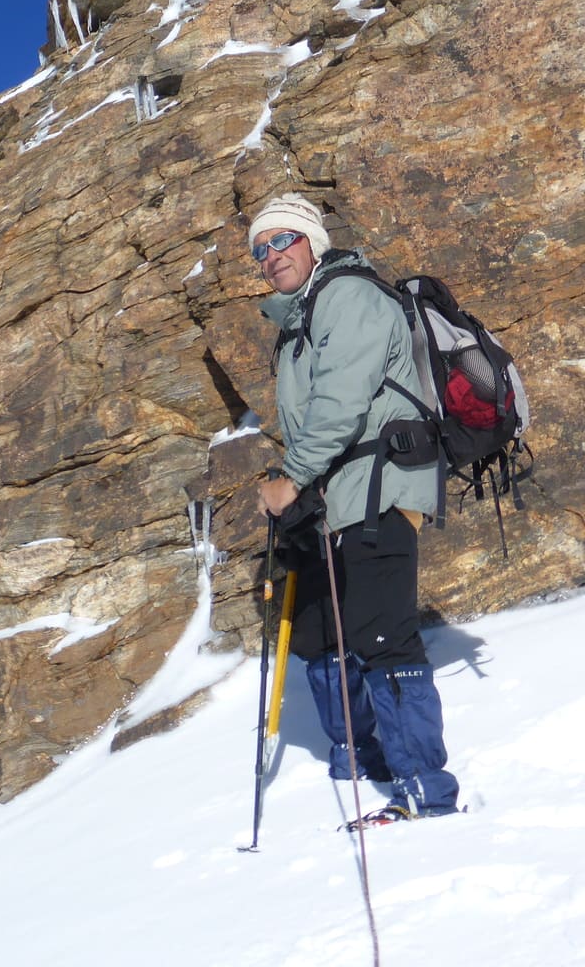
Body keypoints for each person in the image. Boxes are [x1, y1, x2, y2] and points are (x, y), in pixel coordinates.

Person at [249, 193, 460, 824]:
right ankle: (363, 761)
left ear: (312, 241)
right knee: (322, 633)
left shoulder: (347, 296)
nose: (270, 256)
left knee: (383, 637)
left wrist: (292, 478)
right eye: (259, 249)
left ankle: (425, 791)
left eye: (282, 240)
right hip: (338, 498)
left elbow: (341, 402)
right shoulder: (302, 320)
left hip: (380, 490)